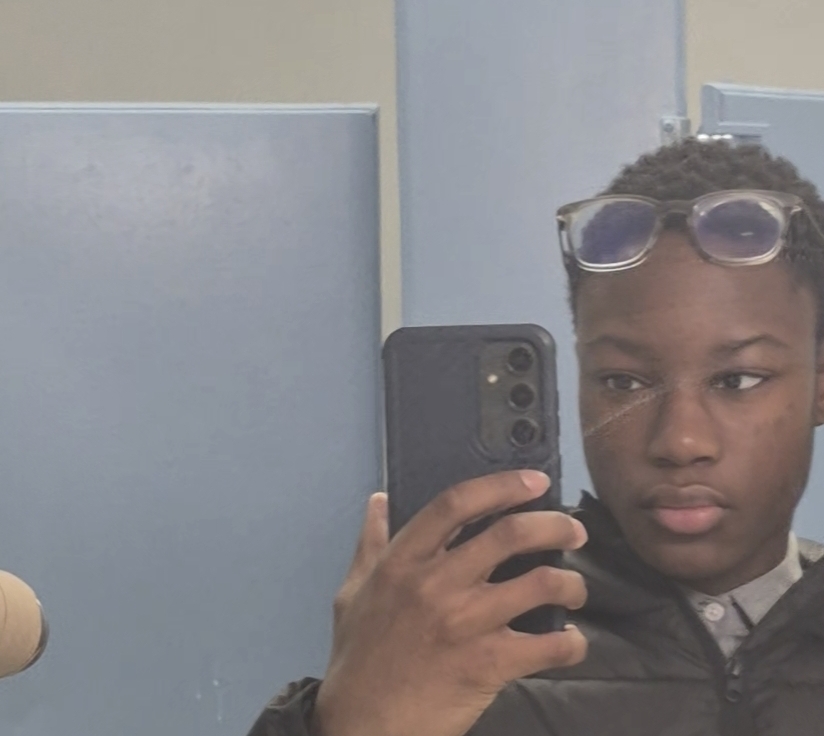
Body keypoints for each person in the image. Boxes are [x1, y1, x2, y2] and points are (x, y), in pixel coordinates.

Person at [248, 138, 824, 735]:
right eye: (623, 381)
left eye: (737, 380)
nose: (679, 442)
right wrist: (351, 722)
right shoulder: (462, 634)